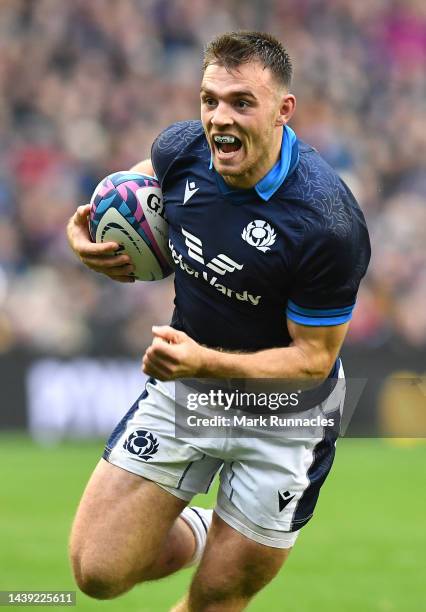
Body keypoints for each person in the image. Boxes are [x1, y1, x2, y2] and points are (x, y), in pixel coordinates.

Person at [67, 31, 370, 611]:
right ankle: (213, 526)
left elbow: (313, 359)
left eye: (241, 102)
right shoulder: (182, 150)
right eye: (209, 100)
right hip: (191, 390)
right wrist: (81, 233)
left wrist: (203, 360)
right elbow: (130, 188)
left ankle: (234, 534)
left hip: (288, 413)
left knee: (215, 599)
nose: (218, 118)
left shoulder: (328, 222)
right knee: (97, 572)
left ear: (284, 111)